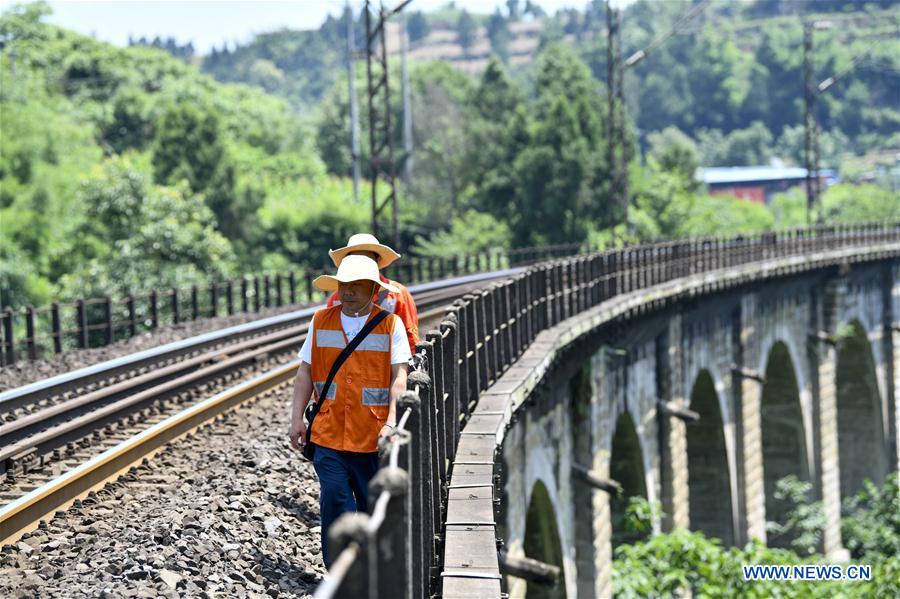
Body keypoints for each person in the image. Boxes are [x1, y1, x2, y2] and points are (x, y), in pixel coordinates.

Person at [289, 254, 411, 567]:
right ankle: (338, 573)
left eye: (357, 286)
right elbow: (305, 372)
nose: (348, 291)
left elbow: (399, 377)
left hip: (371, 436)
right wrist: (296, 421)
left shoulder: (390, 325)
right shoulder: (320, 321)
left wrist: (391, 422)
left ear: (374, 291)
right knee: (334, 498)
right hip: (328, 434)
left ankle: (373, 570)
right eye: (344, 285)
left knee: (373, 508)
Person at [326, 233, 419, 353]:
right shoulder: (336, 298)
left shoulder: (398, 295)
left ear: (376, 262)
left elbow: (410, 340)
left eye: (366, 259)